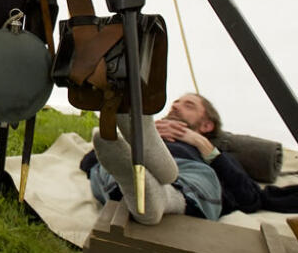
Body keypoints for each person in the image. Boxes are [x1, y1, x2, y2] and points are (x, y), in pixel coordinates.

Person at [81, 92, 261, 224]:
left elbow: (249, 197)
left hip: (188, 170)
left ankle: (160, 189)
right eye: (175, 103)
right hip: (133, 162)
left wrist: (204, 146)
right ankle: (154, 180)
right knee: (115, 164)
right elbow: (88, 162)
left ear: (206, 125)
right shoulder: (137, 140)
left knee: (202, 177)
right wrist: (138, 137)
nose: (175, 106)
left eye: (188, 105)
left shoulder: (212, 153)